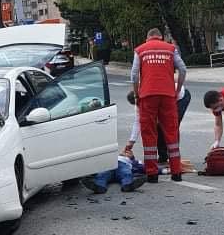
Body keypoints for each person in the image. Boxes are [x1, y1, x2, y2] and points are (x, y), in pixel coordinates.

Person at [129, 28, 187, 183]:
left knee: (149, 133)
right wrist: (177, 89)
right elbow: (183, 69)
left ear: (147, 38)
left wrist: (136, 93)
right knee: (171, 132)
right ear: (161, 37)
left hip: (147, 96)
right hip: (168, 95)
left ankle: (152, 174)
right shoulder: (170, 49)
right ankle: (176, 173)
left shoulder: (140, 50)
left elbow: (134, 75)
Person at [126, 85, 191, 166]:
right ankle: (163, 157)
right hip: (167, 97)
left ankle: (174, 159)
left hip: (180, 98)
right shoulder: (139, 104)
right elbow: (138, 122)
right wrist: (131, 141)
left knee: (171, 126)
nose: (140, 106)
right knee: (158, 126)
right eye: (138, 104)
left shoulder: (153, 97)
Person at [82, 149, 147, 194]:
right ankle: (99, 186)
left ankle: (128, 185)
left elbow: (143, 167)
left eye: (128, 152)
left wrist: (133, 159)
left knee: (126, 174)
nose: (125, 152)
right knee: (102, 175)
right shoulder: (113, 157)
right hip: (110, 165)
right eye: (124, 152)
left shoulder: (131, 161)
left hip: (122, 165)